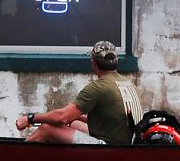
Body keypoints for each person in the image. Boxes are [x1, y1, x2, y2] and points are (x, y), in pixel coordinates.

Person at [15, 40, 143, 145]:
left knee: (46, 129)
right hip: (127, 141)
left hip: (110, 147)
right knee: (75, 123)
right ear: (116, 61)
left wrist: (30, 118)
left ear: (93, 63)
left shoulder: (97, 87)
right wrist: (75, 116)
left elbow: (62, 117)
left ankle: (16, 159)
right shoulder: (128, 82)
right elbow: (112, 120)